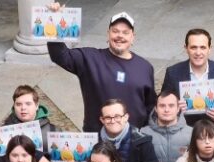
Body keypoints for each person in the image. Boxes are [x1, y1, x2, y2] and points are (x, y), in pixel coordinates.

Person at [47, 4, 155, 132]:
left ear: (133, 37)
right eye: (115, 31)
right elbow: (60, 55)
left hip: (134, 138)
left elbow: (150, 106)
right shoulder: (90, 58)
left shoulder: (145, 67)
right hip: (99, 138)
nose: (120, 36)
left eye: (125, 32)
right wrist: (55, 20)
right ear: (108, 34)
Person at [161, 28, 214, 148]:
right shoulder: (173, 73)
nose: (198, 52)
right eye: (193, 47)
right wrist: (174, 108)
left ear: (209, 49)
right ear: (186, 48)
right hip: (183, 139)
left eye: (202, 47)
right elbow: (162, 105)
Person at [88, 99, 158, 162]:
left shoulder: (143, 141)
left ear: (126, 117)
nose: (113, 121)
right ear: (102, 120)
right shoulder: (93, 142)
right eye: (108, 117)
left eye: (117, 116)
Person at [140, 91, 192, 162]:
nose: (166, 110)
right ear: (156, 109)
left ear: (178, 109)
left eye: (171, 106)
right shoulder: (143, 133)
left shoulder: (192, 133)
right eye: (162, 106)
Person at [2, 85, 57, 154]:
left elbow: (60, 161)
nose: (23, 108)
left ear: (36, 106)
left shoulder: (54, 131)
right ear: (14, 106)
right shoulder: (2, 132)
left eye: (28, 104)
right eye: (18, 104)